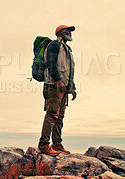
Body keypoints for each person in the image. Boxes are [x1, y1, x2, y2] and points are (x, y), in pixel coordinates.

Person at [38, 25, 77, 156]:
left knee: (59, 117)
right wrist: (58, 80)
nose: (69, 33)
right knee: (52, 115)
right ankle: (43, 145)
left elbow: (69, 70)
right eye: (67, 31)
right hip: (53, 85)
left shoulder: (67, 49)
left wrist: (73, 87)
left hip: (64, 87)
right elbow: (51, 63)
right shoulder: (54, 45)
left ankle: (57, 144)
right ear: (59, 32)